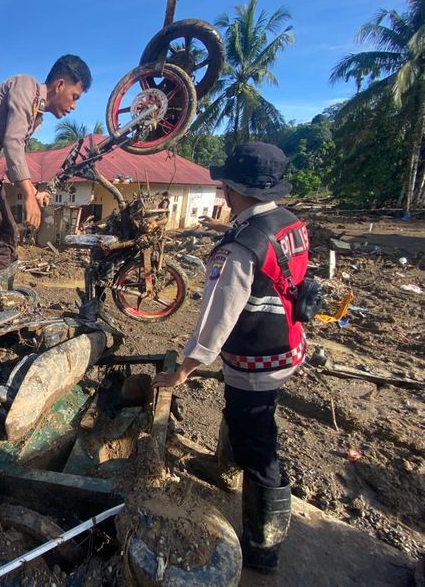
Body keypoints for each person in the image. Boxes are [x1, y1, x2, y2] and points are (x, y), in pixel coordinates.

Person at [152, 142, 310, 574]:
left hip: (257, 359)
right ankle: (226, 467)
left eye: (225, 185)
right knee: (244, 416)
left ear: (234, 189)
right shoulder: (288, 222)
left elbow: (216, 317)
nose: (221, 190)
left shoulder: (240, 247)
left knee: (258, 446)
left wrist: (185, 368)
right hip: (288, 344)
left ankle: (263, 547)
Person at [0, 54, 92, 290]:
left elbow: (17, 155)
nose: (74, 106)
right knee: (3, 237)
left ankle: (4, 295)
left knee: (9, 234)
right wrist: (27, 195)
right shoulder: (26, 85)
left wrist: (33, 192)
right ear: (59, 85)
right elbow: (12, 143)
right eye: (74, 97)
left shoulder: (36, 114)